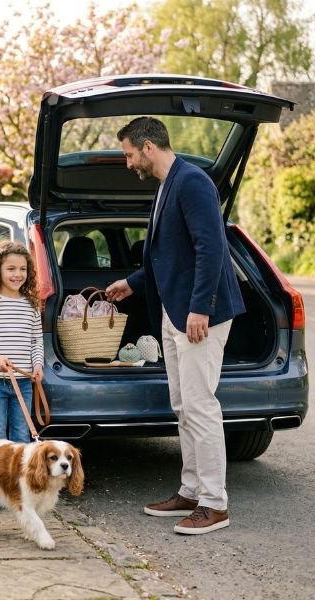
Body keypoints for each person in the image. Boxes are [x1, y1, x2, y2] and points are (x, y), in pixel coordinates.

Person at [105, 117, 245, 535]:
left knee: (201, 407)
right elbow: (169, 256)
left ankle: (214, 504)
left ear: (148, 147)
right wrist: (132, 283)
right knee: (184, 406)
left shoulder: (193, 182)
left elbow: (210, 248)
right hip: (175, 312)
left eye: (130, 154)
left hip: (198, 316)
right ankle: (190, 490)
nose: (128, 163)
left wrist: (201, 307)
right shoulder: (168, 185)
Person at [0, 241, 44, 512]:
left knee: (21, 435)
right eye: (11, 268)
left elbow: (37, 341)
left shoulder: (30, 305)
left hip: (23, 382)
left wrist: (38, 366)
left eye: (23, 269)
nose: (17, 274)